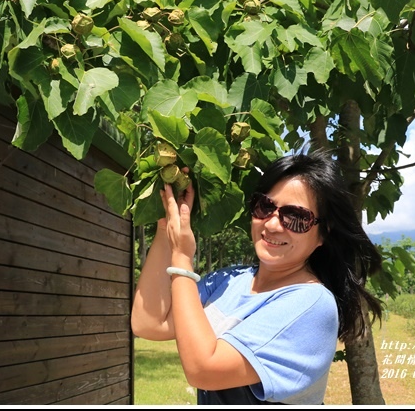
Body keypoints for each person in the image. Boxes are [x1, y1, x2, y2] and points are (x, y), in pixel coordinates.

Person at [130, 148, 383, 405]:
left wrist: (183, 258)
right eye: (265, 207)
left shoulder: (312, 303)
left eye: (296, 217)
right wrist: (168, 225)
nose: (273, 224)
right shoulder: (228, 281)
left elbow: (204, 369)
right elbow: (149, 323)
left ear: (324, 234)